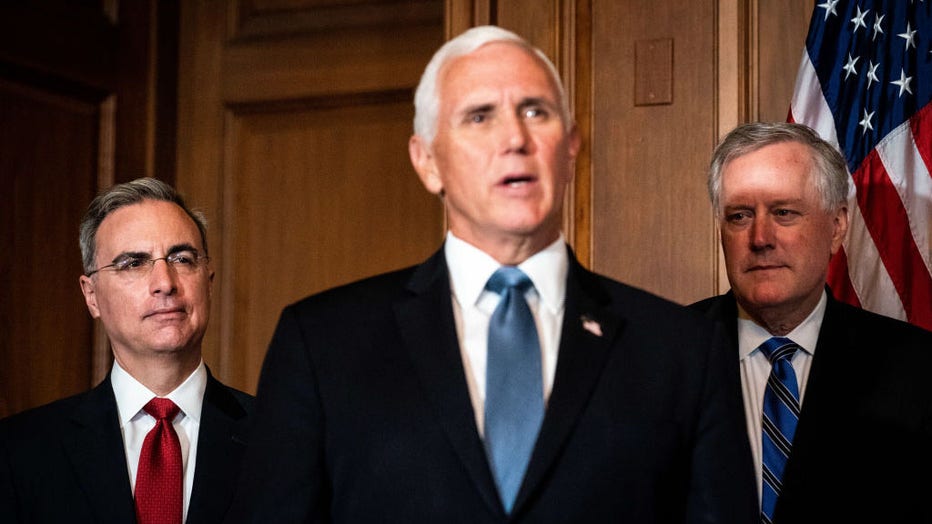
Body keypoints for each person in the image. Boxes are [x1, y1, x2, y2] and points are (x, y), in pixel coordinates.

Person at [229, 25, 757, 523]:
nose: (515, 138)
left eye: (535, 111)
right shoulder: (322, 344)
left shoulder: (682, 351)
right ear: (427, 160)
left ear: (570, 147)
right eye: (480, 116)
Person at [691, 121, 932, 523]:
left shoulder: (916, 369)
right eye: (739, 216)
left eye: (784, 213)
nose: (760, 237)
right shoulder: (654, 356)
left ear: (837, 226)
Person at [0, 177, 254, 523]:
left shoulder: (278, 440)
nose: (165, 283)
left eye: (181, 258)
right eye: (133, 263)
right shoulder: (19, 450)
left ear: (208, 282)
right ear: (92, 296)